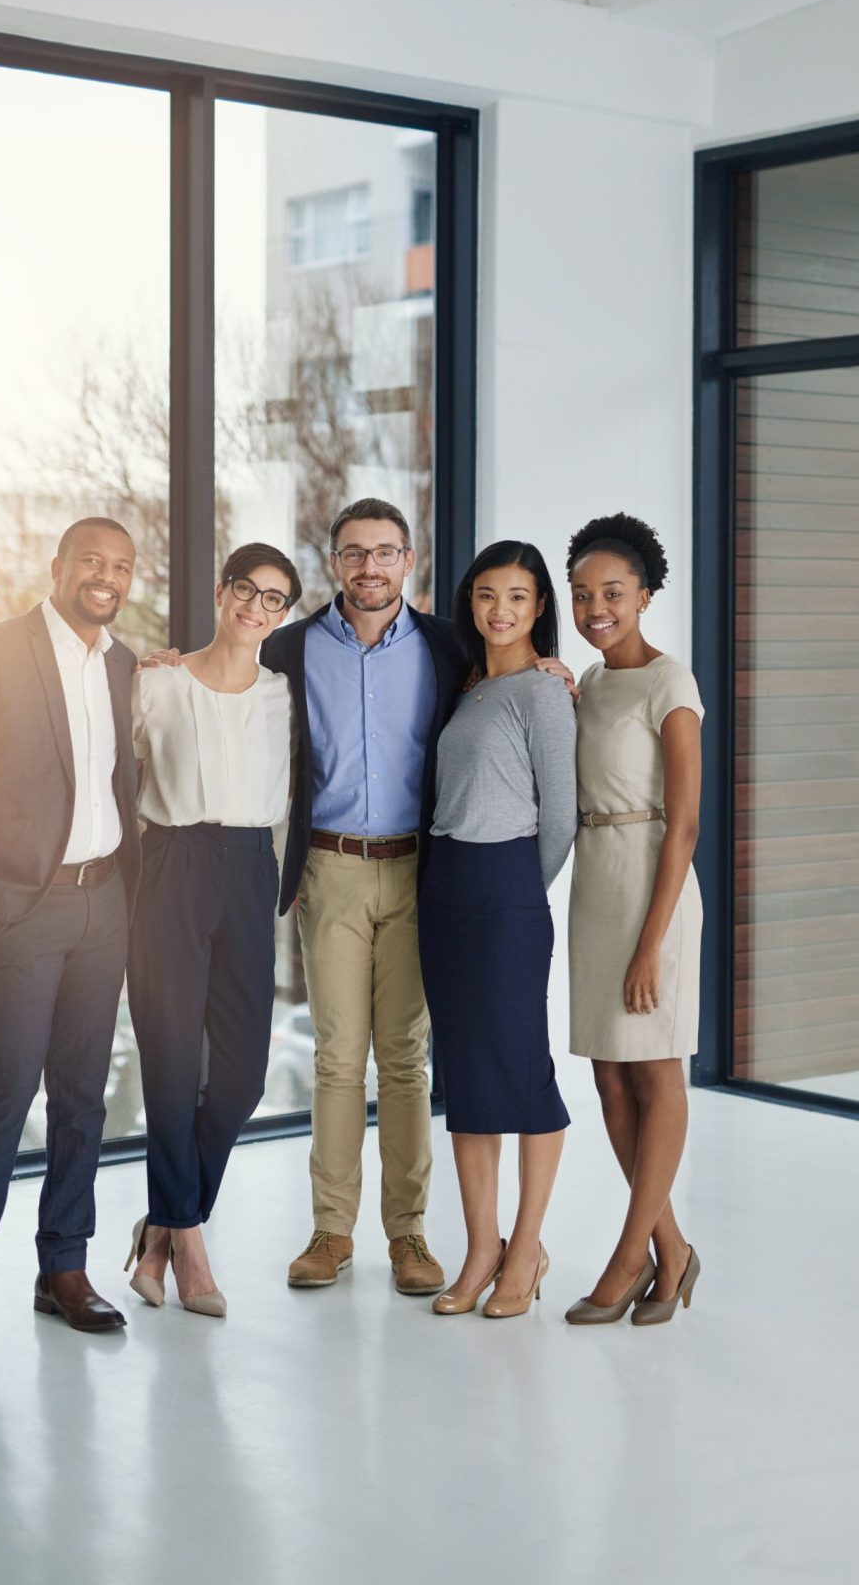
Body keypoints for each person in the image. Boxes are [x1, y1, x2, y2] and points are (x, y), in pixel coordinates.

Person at [0, 517, 143, 1339]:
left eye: (120, 565)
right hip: (17, 908)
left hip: (102, 903)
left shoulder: (121, 663)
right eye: (90, 560)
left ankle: (64, 1271)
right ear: (58, 566)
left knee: (82, 1097)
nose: (104, 576)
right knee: (6, 1091)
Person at [264, 499, 465, 1293]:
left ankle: (410, 1237)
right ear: (334, 563)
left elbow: (510, 683)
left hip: (421, 871)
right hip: (331, 870)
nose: (370, 568)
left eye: (385, 553)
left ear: (408, 561)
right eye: (354, 553)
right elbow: (225, 683)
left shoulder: (451, 646)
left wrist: (551, 669)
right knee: (339, 1060)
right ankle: (331, 1233)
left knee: (407, 1061)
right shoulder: (291, 647)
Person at [124, 543, 300, 1317]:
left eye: (276, 600)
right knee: (166, 1059)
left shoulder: (284, 695)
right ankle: (189, 1245)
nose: (258, 609)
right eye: (248, 591)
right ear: (222, 591)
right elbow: (113, 767)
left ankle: (162, 1224)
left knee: (241, 1076)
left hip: (246, 866)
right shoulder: (156, 682)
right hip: (169, 862)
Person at [418, 541, 577, 1318]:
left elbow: (564, 814)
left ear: (540, 606)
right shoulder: (471, 686)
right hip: (444, 886)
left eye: (517, 596)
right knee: (468, 1073)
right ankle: (480, 1248)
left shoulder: (545, 695)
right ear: (470, 604)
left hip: (506, 888)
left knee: (521, 1070)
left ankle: (527, 1247)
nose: (500, 611)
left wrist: (520, 892)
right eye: (486, 595)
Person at [564, 513, 704, 1327]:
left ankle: (630, 1256)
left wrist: (652, 944)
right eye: (582, 595)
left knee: (656, 1070)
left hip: (654, 882)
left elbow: (684, 824)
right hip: (595, 881)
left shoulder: (668, 682)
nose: (595, 607)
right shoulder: (585, 681)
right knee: (608, 1072)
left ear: (645, 595)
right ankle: (672, 1247)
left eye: (612, 592)